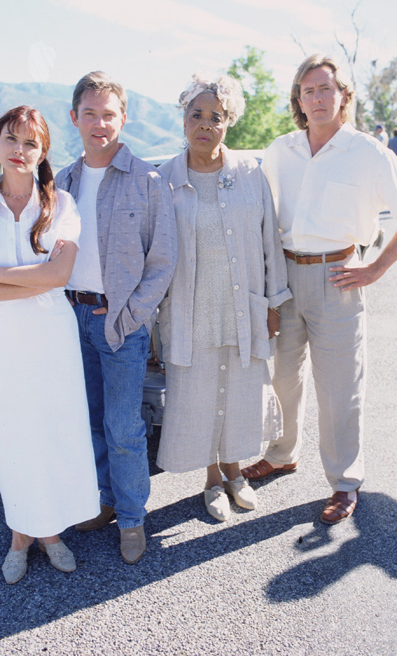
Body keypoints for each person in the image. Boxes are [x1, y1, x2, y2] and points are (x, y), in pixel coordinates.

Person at [241, 54, 397, 525]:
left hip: (339, 277)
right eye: (308, 90)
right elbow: (262, 218)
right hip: (286, 277)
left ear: (344, 96)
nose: (317, 97)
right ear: (299, 100)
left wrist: (374, 270)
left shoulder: (368, 153)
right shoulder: (279, 150)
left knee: (340, 389)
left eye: (326, 88)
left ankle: (344, 482)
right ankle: (283, 452)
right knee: (283, 378)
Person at [0, 106, 100, 583]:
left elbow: (59, 276)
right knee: (12, 435)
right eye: (11, 140)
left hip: (51, 335)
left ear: (43, 152)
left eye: (31, 143)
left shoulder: (60, 204)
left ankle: (51, 531)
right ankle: (22, 534)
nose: (19, 151)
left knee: (53, 430)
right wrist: (28, 281)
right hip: (4, 338)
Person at [156, 74, 292, 522]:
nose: (205, 124)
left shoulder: (251, 175)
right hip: (190, 308)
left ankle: (237, 474)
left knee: (239, 390)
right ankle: (212, 479)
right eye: (196, 114)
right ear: (184, 120)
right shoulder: (164, 180)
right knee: (197, 394)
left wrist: (274, 303)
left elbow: (270, 242)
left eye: (216, 116)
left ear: (228, 123)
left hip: (242, 304)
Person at [56, 72, 177, 564]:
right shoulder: (61, 182)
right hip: (70, 319)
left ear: (123, 118)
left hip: (120, 325)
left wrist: (130, 317)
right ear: (74, 118)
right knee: (87, 419)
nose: (99, 124)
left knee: (124, 425)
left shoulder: (147, 180)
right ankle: (104, 500)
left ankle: (132, 519)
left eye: (109, 114)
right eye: (90, 113)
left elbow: (163, 261)